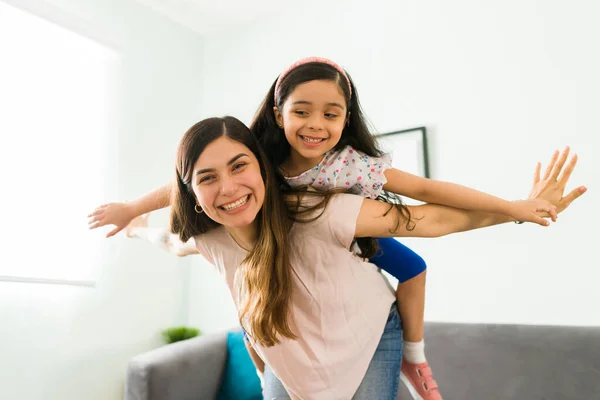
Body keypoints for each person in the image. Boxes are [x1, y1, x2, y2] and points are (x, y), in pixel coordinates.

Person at [87, 57, 582, 400]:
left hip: (364, 333)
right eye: (208, 179)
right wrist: (132, 220)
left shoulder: (324, 198)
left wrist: (518, 208)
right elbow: (170, 231)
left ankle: (415, 355)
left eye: (239, 168)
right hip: (288, 351)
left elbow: (428, 211)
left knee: (411, 266)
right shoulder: (212, 233)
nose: (229, 187)